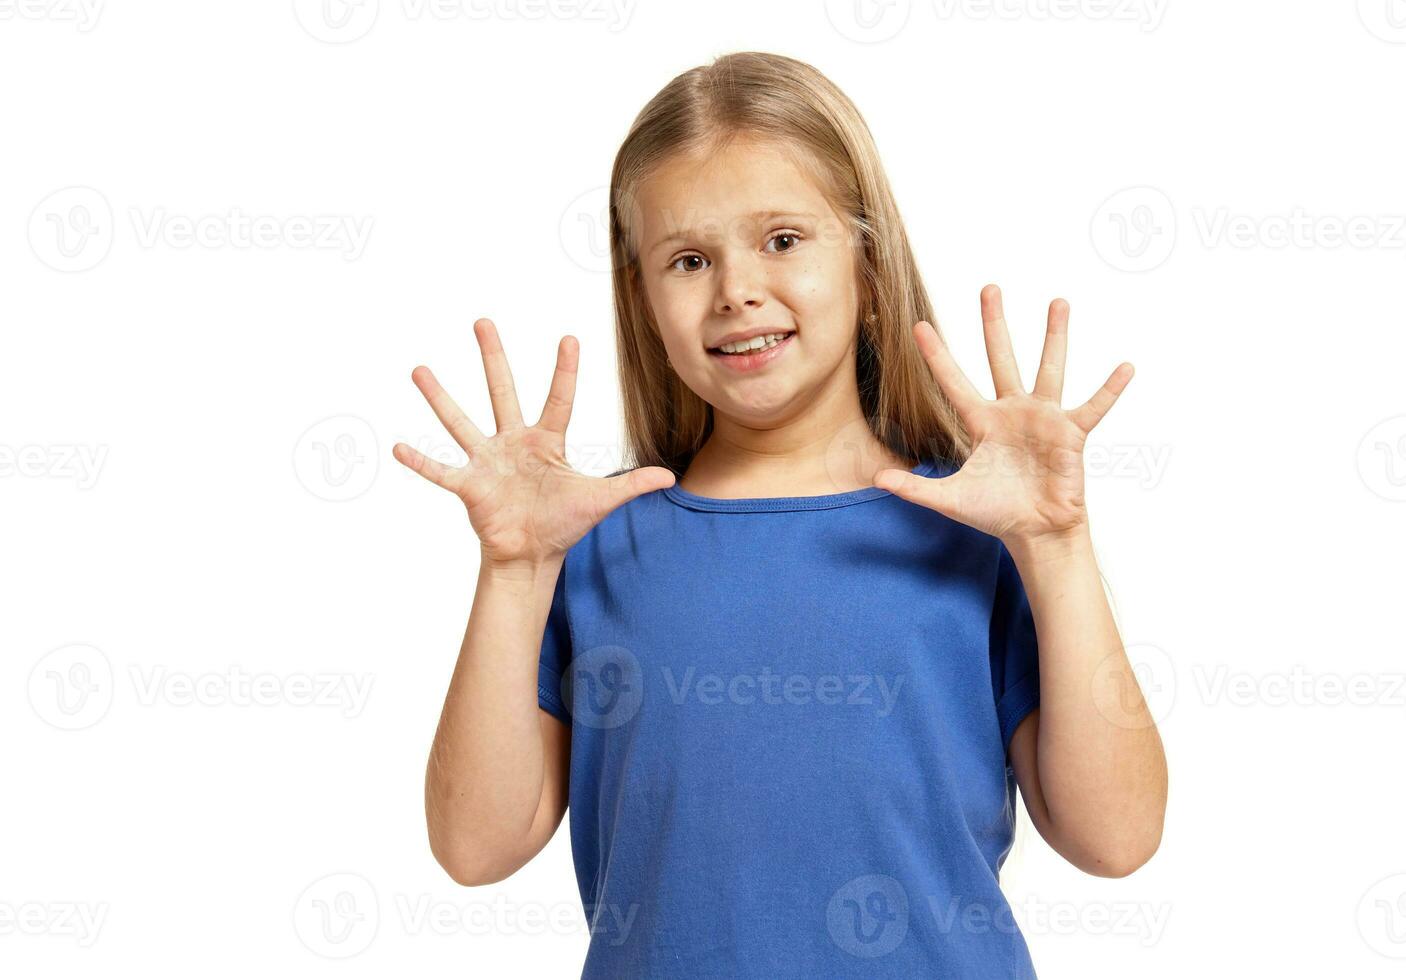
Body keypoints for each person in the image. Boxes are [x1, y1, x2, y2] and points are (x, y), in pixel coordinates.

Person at [392, 50, 1167, 979]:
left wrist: (1057, 549)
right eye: (688, 259)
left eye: (784, 241)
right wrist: (514, 574)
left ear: (869, 269)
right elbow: (476, 847)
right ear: (642, 303)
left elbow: (1116, 838)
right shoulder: (588, 546)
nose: (736, 290)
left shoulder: (977, 529)